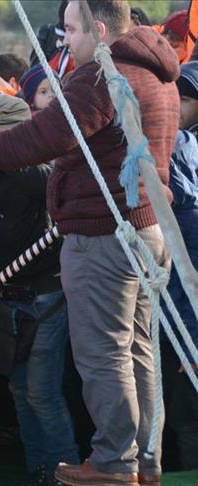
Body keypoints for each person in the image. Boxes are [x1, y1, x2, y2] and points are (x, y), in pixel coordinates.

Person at [0, 2, 179, 483]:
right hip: (148, 231)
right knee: (138, 352)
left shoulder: (101, 75)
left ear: (99, 30)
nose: (64, 39)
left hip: (104, 236)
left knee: (105, 353)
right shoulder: (160, 74)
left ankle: (115, 462)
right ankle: (144, 462)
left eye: (70, 29)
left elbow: (49, 134)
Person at [0, 94, 79, 484]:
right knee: (18, 388)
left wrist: (0, 148)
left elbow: (45, 176)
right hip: (2, 297)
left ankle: (64, 469)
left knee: (42, 391)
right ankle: (38, 469)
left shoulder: (43, 170)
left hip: (45, 294)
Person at [162, 60, 198, 472]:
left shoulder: (187, 213)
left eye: (186, 98)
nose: (178, 105)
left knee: (186, 416)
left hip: (184, 320)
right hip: (170, 313)